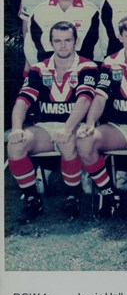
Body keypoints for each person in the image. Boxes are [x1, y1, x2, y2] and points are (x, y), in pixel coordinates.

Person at [7, 21, 99, 221]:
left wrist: (67, 128)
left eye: (68, 40)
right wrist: (16, 129)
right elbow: (22, 102)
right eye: (57, 41)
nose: (63, 45)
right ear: (51, 43)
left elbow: (84, 100)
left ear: (76, 41)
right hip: (45, 128)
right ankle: (32, 199)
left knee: (66, 141)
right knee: (15, 146)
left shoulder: (87, 66)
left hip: (76, 126)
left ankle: (72, 196)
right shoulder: (39, 69)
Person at [75, 13, 127, 217]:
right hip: (117, 127)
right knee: (85, 142)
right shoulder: (110, 62)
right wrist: (90, 122)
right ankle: (109, 192)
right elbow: (100, 97)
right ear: (119, 37)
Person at [24, 0, 102, 67]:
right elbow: (30, 48)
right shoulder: (39, 11)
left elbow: (99, 50)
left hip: (81, 73)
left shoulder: (92, 12)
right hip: (48, 74)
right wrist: (42, 70)